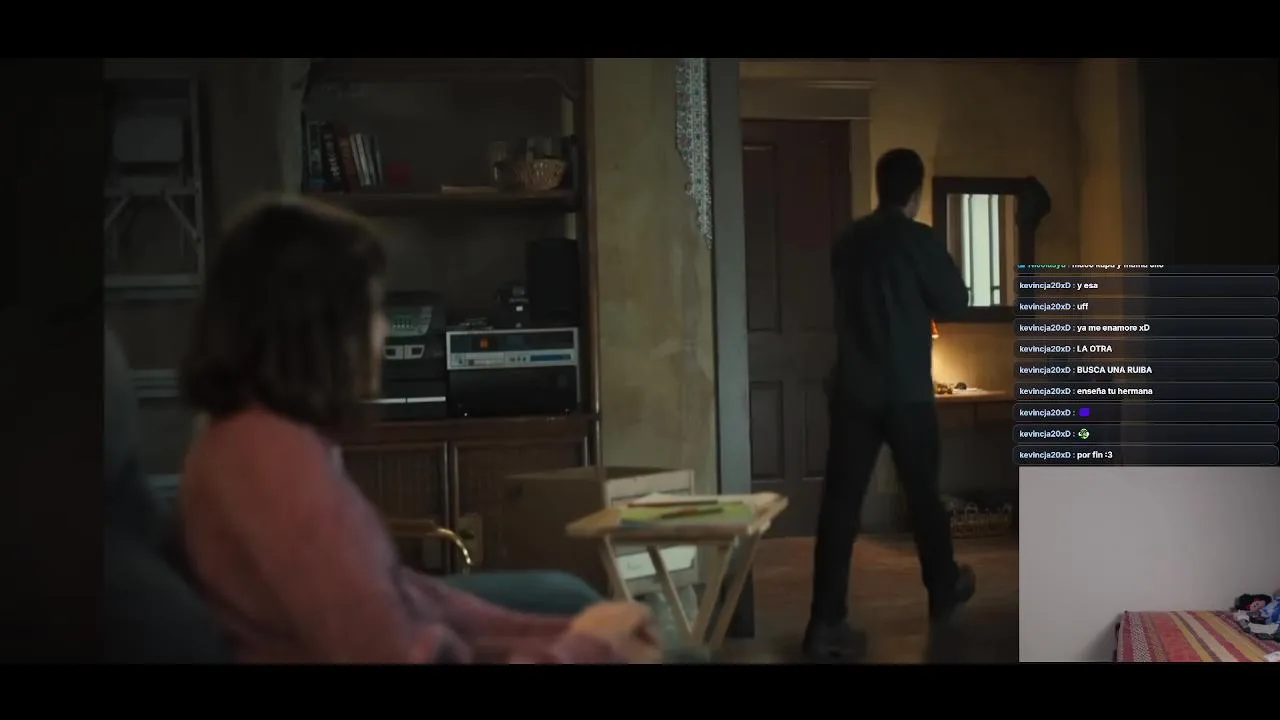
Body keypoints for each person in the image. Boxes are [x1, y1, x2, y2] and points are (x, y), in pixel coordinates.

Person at [178, 196, 661, 663]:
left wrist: (573, 633)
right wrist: (587, 648)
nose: (384, 331)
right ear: (320, 327)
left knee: (578, 603)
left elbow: (410, 595)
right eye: (372, 310)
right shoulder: (271, 463)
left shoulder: (267, 440)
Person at [803, 148, 976, 661]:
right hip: (907, 392)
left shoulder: (848, 242)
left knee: (840, 506)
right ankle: (942, 590)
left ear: (881, 187)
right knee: (924, 498)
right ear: (916, 193)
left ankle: (824, 622)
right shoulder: (919, 241)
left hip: (854, 390)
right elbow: (955, 302)